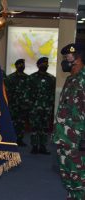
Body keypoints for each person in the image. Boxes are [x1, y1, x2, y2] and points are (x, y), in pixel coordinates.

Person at [53, 43, 85, 200]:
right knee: (67, 174)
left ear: (78, 59)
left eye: (68, 58)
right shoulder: (70, 79)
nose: (65, 61)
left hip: (77, 139)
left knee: (80, 176)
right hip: (64, 137)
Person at [28, 57, 56, 154]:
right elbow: (27, 93)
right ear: (38, 65)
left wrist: (51, 105)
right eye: (43, 64)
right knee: (35, 127)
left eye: (46, 64)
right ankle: (34, 146)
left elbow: (53, 94)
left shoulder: (52, 79)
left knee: (45, 128)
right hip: (34, 108)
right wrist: (30, 105)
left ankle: (43, 146)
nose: (45, 66)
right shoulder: (31, 78)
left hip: (47, 108)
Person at [5, 59, 29, 146]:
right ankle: (11, 139)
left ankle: (19, 139)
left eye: (23, 65)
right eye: (20, 65)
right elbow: (6, 92)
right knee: (12, 122)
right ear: (16, 66)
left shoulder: (27, 78)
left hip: (23, 104)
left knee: (21, 123)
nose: (22, 66)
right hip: (13, 104)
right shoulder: (10, 78)